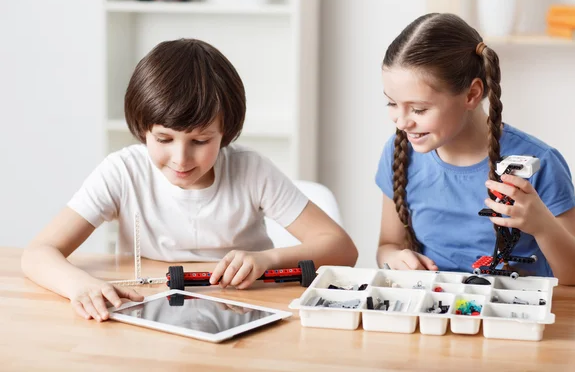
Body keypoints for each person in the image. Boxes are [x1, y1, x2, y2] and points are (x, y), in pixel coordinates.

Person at [21, 38, 358, 322]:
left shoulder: (252, 171)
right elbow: (38, 253)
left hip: (246, 313)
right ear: (143, 130)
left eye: (200, 141)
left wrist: (267, 259)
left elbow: (342, 249)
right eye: (164, 139)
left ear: (225, 132)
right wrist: (79, 285)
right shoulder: (123, 172)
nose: (181, 159)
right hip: (147, 315)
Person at [375, 13, 575, 285]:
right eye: (391, 104)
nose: (401, 120)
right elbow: (387, 246)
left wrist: (543, 226)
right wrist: (396, 259)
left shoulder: (539, 162)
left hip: (514, 315)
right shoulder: (400, 151)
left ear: (471, 94)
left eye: (419, 109)